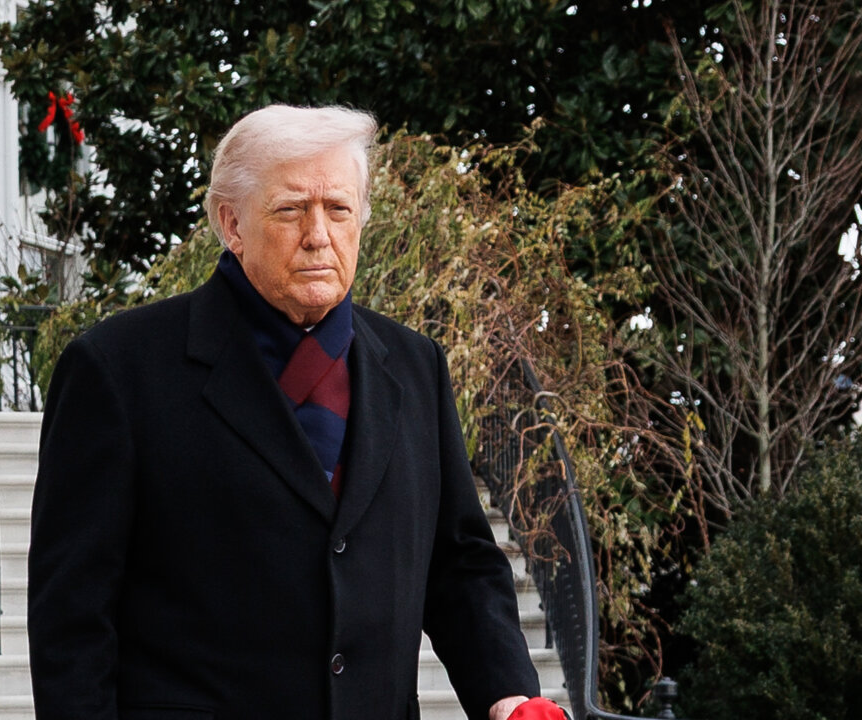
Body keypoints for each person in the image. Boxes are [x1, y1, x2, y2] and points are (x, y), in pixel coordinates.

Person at [28, 104, 563, 720]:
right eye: (290, 210)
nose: (318, 234)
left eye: (338, 209)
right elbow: (72, 616)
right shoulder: (117, 369)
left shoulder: (416, 366)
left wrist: (507, 693)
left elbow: (459, 563)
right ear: (231, 223)